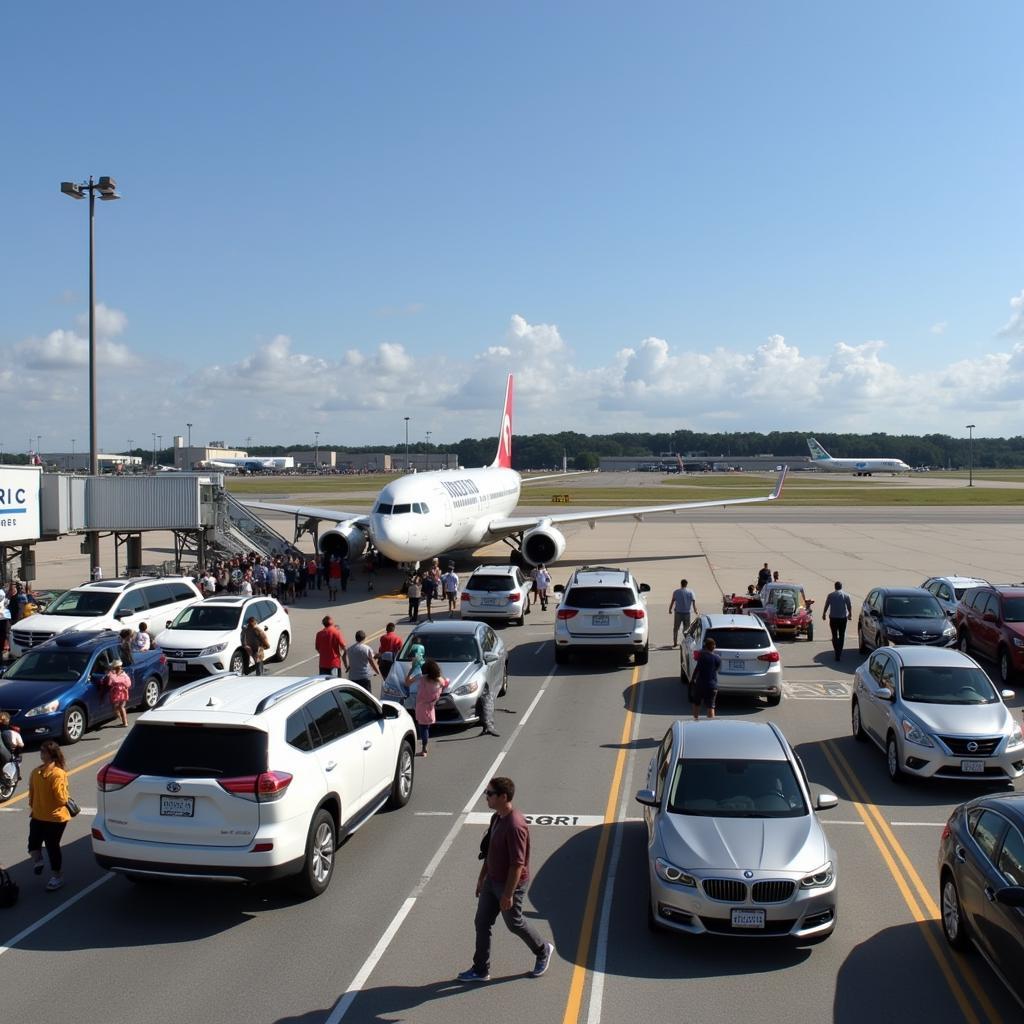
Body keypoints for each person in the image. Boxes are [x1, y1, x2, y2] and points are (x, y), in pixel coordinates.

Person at [457, 776, 554, 983]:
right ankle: (481, 969)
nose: (486, 798)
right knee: (482, 922)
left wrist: (508, 894)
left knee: (514, 923)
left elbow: (517, 865)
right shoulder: (497, 818)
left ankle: (543, 949)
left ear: (503, 797)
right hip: (493, 879)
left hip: (510, 883)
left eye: (490, 794)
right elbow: (490, 850)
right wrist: (482, 877)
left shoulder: (515, 826)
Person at [28, 740, 71, 892]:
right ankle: (39, 862)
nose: (41, 754)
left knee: (51, 846)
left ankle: (57, 876)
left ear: (51, 754)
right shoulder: (36, 772)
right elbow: (61, 798)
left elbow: (60, 798)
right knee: (33, 844)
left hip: (55, 818)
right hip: (39, 815)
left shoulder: (57, 774)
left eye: (43, 751)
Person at [413, 658, 447, 757]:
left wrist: (413, 669)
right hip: (431, 707)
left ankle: (424, 749)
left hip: (421, 707)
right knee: (426, 727)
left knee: (423, 728)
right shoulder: (439, 682)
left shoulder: (422, 680)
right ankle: (424, 747)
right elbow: (445, 682)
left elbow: (409, 682)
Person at [690, 637, 721, 721]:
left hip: (700, 684)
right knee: (711, 706)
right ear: (713, 647)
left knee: (697, 704)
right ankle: (711, 725)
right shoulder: (717, 658)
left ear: (705, 646)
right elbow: (717, 668)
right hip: (712, 685)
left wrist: (692, 680)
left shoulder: (701, 656)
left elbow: (697, 669)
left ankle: (695, 720)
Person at [822, 581, 853, 662]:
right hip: (843, 618)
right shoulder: (846, 595)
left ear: (835, 587)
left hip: (833, 618)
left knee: (834, 635)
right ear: (841, 587)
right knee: (842, 635)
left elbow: (826, 605)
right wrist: (850, 614)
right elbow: (849, 606)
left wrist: (824, 613)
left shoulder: (830, 595)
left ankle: (836, 651)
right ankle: (839, 652)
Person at [102, 657, 133, 727]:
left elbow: (109, 683)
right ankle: (124, 721)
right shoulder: (124, 675)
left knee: (119, 707)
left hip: (117, 693)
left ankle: (124, 721)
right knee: (120, 707)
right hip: (122, 693)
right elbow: (128, 684)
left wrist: (112, 678)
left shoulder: (113, 675)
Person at [668, 578, 697, 646]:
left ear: (681, 584)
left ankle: (675, 642)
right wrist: (695, 610)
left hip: (678, 613)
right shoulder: (690, 592)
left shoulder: (676, 592)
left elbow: (673, 601)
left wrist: (670, 609)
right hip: (687, 613)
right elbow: (693, 602)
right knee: (686, 629)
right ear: (686, 584)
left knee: (676, 628)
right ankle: (686, 642)